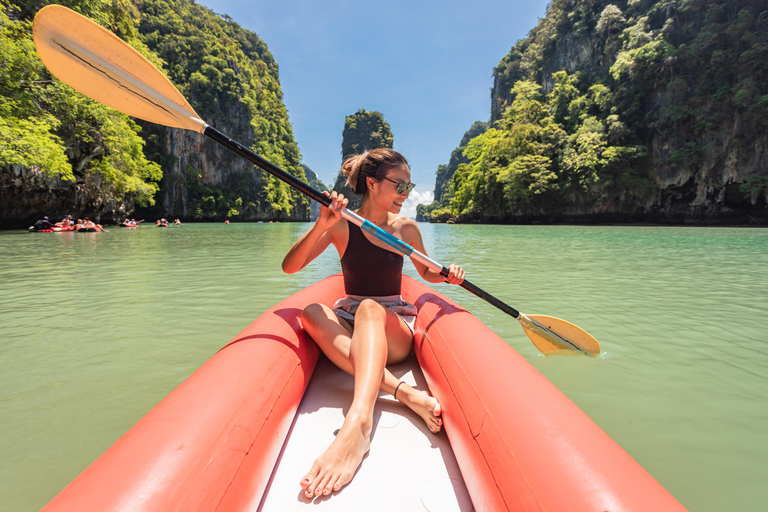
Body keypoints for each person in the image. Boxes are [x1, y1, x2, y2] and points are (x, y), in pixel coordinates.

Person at [282, 148, 465, 499]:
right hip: (352, 320)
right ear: (371, 182)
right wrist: (323, 223)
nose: (405, 195)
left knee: (369, 308)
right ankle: (404, 392)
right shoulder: (341, 224)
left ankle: (359, 422)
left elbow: (428, 271)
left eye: (409, 188)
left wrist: (450, 274)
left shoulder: (405, 228)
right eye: (399, 185)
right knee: (312, 313)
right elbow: (290, 267)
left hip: (391, 325)